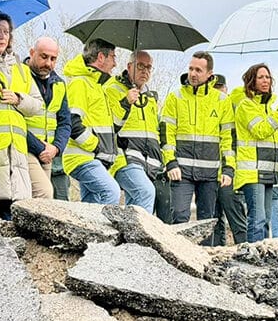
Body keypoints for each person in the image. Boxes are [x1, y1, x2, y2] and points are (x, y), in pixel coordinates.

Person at [0, 12, 44, 218]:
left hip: (17, 152)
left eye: (7, 32)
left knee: (16, 212)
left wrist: (19, 98)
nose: (3, 36)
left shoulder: (22, 69)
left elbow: (38, 105)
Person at [161, 52, 235, 224]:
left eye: (198, 70)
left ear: (210, 74)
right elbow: (166, 133)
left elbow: (228, 138)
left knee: (206, 223)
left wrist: (228, 168)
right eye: (191, 68)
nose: (193, 73)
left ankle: (203, 252)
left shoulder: (222, 101)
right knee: (179, 217)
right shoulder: (175, 97)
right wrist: (170, 162)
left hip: (210, 172)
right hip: (181, 170)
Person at [233, 63, 278, 243]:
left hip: (268, 171)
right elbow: (260, 130)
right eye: (261, 77)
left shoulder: (268, 108)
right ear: (252, 81)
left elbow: (272, 135)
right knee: (257, 220)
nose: (265, 80)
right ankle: (253, 259)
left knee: (265, 220)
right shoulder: (246, 105)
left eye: (267, 77)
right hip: (252, 171)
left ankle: (263, 257)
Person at [62, 39, 121, 204]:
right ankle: (106, 231)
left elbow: (108, 126)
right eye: (113, 57)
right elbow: (73, 122)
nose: (115, 63)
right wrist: (95, 146)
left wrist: (126, 104)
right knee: (111, 191)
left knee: (91, 207)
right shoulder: (80, 83)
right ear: (101, 57)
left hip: (94, 158)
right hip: (83, 157)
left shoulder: (98, 86)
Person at [106, 50, 161, 212]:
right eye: (141, 66)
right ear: (129, 66)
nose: (145, 71)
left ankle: (128, 236)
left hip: (148, 161)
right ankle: (140, 237)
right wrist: (125, 102)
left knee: (134, 206)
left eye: (149, 67)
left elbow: (153, 132)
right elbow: (109, 125)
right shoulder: (112, 89)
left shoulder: (150, 97)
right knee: (145, 192)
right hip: (124, 157)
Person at [24, 37, 70, 199]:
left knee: (46, 203)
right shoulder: (20, 77)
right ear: (32, 53)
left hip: (49, 154)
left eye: (53, 59)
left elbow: (65, 122)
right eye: (44, 57)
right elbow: (14, 119)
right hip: (25, 149)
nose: (48, 63)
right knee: (44, 194)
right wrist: (40, 148)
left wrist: (56, 148)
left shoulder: (59, 84)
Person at [209, 75, 247, 246]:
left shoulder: (233, 106)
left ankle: (244, 250)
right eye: (213, 87)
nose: (217, 91)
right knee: (214, 221)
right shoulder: (207, 108)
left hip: (229, 174)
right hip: (209, 174)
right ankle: (219, 252)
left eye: (219, 87)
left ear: (226, 88)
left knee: (236, 218)